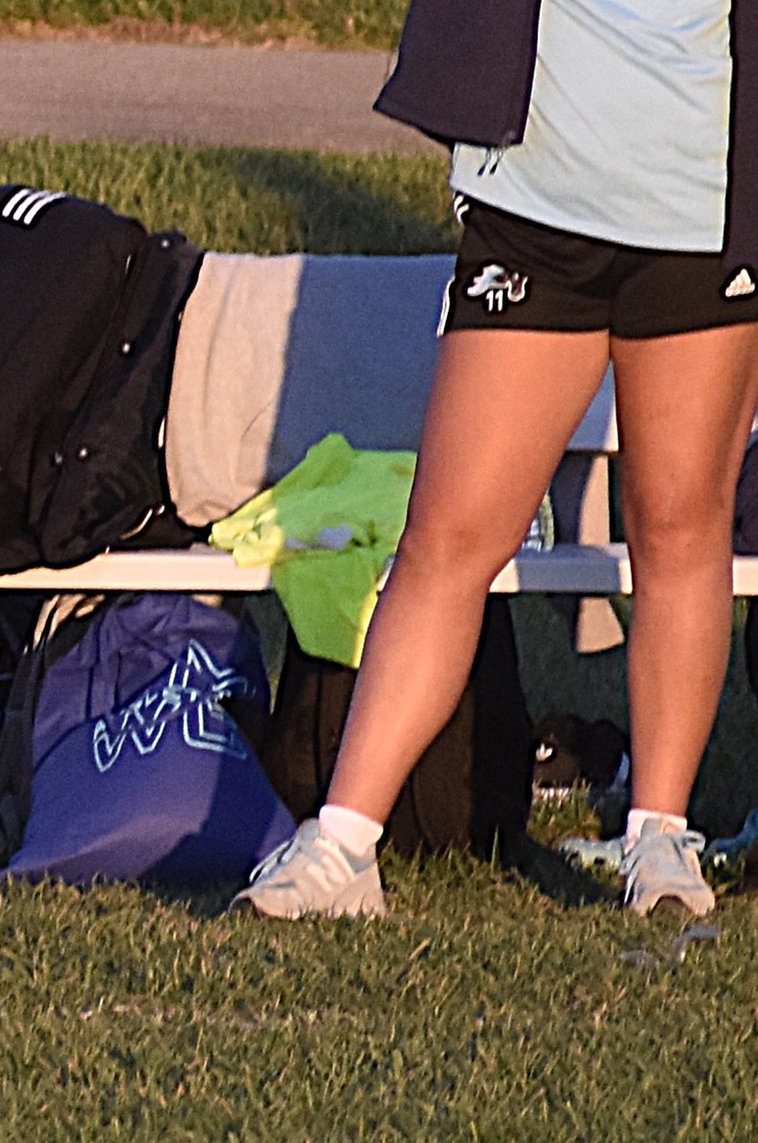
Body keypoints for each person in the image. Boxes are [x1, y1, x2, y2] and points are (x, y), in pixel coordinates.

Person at [239, 0, 758, 918]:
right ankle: (342, 842)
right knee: (448, 534)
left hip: (702, 209)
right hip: (533, 203)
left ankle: (659, 834)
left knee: (680, 523)